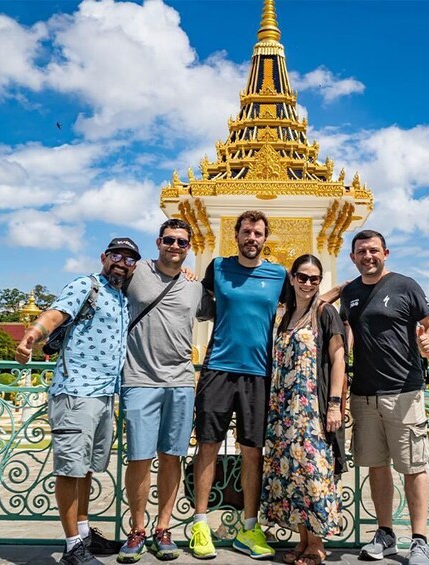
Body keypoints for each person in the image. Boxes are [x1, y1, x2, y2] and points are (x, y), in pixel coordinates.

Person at [15, 237, 141, 565]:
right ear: (103, 257)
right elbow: (57, 313)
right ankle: (72, 547)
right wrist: (32, 335)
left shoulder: (121, 296)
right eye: (116, 256)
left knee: (84, 468)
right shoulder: (87, 285)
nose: (122, 263)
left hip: (103, 394)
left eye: (129, 259)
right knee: (70, 469)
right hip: (75, 392)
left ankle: (83, 534)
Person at [339, 229, 429, 565]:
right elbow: (343, 331)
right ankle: (385, 534)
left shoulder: (405, 286)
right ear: (352, 257)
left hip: (403, 391)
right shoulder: (350, 293)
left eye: (373, 250)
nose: (367, 256)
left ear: (385, 253)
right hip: (364, 393)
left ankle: (420, 540)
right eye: (361, 252)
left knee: (413, 466)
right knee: (376, 465)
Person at [189, 210, 287, 561]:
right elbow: (198, 303)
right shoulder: (218, 268)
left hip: (258, 372)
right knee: (207, 446)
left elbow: (304, 303)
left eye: (258, 233)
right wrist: (186, 278)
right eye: (246, 232)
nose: (252, 238)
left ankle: (249, 527)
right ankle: (200, 524)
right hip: (217, 368)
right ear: (236, 235)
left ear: (265, 238)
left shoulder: (278, 275)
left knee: (252, 451)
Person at [118, 219, 214, 563]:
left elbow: (224, 311)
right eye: (170, 240)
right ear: (158, 242)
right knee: (140, 457)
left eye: (182, 242)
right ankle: (137, 529)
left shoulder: (195, 286)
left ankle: (163, 527)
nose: (175, 246)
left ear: (189, 248)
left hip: (180, 380)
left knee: (172, 456)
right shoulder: (136, 272)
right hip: (139, 378)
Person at [261, 254, 346, 565]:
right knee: (291, 472)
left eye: (314, 279)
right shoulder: (286, 316)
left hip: (311, 407)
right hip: (284, 409)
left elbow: (338, 359)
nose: (307, 283)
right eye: (302, 277)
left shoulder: (324, 312)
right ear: (292, 278)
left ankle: (317, 544)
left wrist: (334, 405)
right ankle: (303, 540)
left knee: (313, 472)